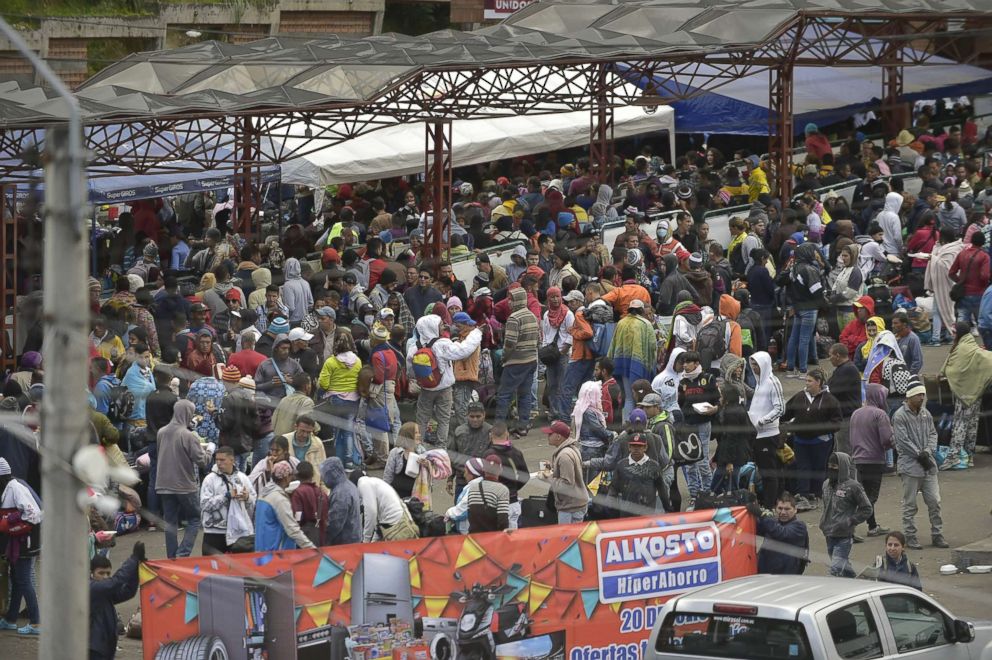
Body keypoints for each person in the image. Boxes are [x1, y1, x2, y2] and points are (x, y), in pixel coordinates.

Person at [409, 314, 483, 447]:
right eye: (440, 325)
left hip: (426, 389)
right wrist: (476, 333)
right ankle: (441, 448)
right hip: (444, 389)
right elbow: (463, 350)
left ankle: (418, 446)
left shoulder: (415, 347)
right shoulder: (442, 344)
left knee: (422, 419)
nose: (443, 327)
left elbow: (410, 366)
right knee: (443, 420)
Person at [892, 376, 948, 549]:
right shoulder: (900, 416)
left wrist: (927, 451)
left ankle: (937, 535)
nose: (922, 398)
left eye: (923, 395)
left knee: (935, 502)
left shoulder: (926, 413)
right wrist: (919, 454)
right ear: (909, 396)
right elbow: (902, 441)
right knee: (910, 505)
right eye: (918, 395)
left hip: (928, 467)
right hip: (910, 467)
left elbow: (933, 433)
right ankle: (910, 537)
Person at [156, 400, 211, 559]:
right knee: (194, 519)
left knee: (170, 523)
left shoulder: (161, 432)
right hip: (184, 484)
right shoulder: (188, 435)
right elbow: (201, 461)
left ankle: (172, 558)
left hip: (163, 484)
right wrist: (210, 451)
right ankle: (182, 554)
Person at [783, 369, 842, 510]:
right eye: (806, 381)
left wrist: (818, 429)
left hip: (821, 442)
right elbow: (785, 413)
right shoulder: (799, 396)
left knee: (818, 469)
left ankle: (815, 495)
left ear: (819, 382)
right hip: (800, 441)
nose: (807, 383)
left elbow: (837, 423)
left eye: (810, 381)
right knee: (803, 467)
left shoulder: (830, 400)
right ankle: (803, 495)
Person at [940, 321, 992, 470]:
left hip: (964, 394)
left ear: (960, 333)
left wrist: (945, 375)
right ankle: (968, 457)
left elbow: (951, 370)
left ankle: (954, 457)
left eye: (954, 332)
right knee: (972, 425)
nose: (952, 335)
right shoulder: (973, 346)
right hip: (976, 393)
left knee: (960, 425)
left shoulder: (961, 348)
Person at [0, 457, 42, 634]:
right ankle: (10, 619)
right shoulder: (8, 488)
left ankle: (35, 622)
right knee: (17, 579)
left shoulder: (16, 488)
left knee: (24, 581)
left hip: (26, 541)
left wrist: (10, 521)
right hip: (17, 541)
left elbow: (34, 514)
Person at [849, 384, 895, 538]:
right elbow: (887, 439)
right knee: (870, 497)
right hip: (874, 459)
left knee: (864, 493)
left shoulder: (856, 413)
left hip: (858, 459)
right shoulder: (880, 414)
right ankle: (849, 525)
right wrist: (892, 444)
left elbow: (851, 438)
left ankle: (873, 526)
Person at [492, 287, 539, 436]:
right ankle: (523, 426)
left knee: (504, 394)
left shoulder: (514, 318)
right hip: (531, 360)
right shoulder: (532, 316)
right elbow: (538, 339)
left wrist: (504, 357)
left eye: (511, 299)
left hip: (516, 362)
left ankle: (499, 427)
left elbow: (510, 343)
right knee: (524, 394)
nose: (509, 302)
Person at [819, 452, 873, 577]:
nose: (831, 469)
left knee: (835, 570)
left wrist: (850, 521)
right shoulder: (826, 484)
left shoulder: (853, 487)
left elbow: (867, 509)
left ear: (842, 467)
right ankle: (855, 582)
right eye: (829, 465)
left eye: (834, 466)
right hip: (828, 533)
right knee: (844, 566)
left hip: (844, 536)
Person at [88, 542, 144, 660]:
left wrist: (136, 569)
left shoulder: (104, 591)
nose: (105, 576)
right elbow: (117, 581)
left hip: (105, 646)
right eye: (101, 573)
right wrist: (133, 559)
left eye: (108, 573)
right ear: (91, 573)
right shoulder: (92, 587)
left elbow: (128, 592)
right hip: (93, 647)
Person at [678, 350, 719, 501]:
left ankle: (707, 494)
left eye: (688, 362)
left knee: (702, 462)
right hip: (688, 425)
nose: (685, 365)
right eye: (683, 362)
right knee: (689, 463)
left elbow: (718, 401)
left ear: (696, 364)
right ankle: (694, 495)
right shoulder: (682, 382)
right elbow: (680, 403)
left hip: (703, 424)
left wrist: (713, 410)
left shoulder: (708, 378)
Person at [199, 446, 256, 555]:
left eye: (222, 460)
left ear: (232, 460)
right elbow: (205, 505)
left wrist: (247, 497)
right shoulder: (209, 479)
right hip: (215, 531)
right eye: (217, 460)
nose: (219, 463)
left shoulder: (242, 478)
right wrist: (226, 496)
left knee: (239, 568)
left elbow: (253, 501)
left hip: (238, 532)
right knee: (211, 567)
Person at [608, 299, 658, 418]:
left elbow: (613, 344)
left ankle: (627, 425)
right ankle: (638, 423)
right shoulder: (645, 324)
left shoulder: (621, 323)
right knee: (638, 398)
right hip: (639, 366)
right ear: (641, 310)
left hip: (622, 365)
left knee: (628, 398)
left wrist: (610, 361)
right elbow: (652, 346)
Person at [748, 351, 785, 509]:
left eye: (757, 364)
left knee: (769, 473)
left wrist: (763, 421)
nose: (754, 368)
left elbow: (780, 408)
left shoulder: (772, 381)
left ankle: (770, 506)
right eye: (753, 364)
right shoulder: (759, 383)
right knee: (763, 471)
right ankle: (767, 501)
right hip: (757, 434)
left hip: (767, 434)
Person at [254, 461, 316, 551]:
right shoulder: (280, 500)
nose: (292, 478)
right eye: (291, 475)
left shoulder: (263, 494)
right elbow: (293, 530)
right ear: (286, 478)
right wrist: (313, 549)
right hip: (277, 556)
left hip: (261, 551)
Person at [606, 434, 671, 516]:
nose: (636, 449)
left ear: (645, 447)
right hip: (626, 515)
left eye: (639, 446)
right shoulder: (621, 465)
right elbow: (614, 488)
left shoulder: (654, 466)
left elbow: (662, 489)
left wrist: (668, 509)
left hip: (647, 514)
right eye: (633, 446)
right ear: (629, 447)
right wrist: (610, 506)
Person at [539, 420, 589, 524]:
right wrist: (552, 468)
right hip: (575, 504)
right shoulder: (571, 449)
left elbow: (567, 484)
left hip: (571, 507)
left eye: (550, 434)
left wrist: (547, 478)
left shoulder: (564, 456)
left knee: (567, 539)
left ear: (558, 437)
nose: (547, 436)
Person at [484, 420, 530, 529]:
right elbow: (525, 476)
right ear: (507, 434)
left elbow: (483, 478)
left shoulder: (488, 455)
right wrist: (513, 488)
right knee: (512, 538)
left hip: (494, 503)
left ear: (491, 435)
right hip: (512, 501)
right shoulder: (516, 453)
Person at [750, 493, 810, 575]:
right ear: (775, 509)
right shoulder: (772, 522)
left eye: (787, 509)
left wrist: (762, 515)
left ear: (795, 509)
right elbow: (754, 529)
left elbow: (781, 533)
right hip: (765, 575)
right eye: (780, 508)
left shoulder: (799, 527)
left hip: (786, 578)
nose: (783, 512)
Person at [353, 472, 419, 542]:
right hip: (399, 517)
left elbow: (371, 512)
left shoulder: (363, 484)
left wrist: (366, 540)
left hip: (394, 522)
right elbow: (377, 520)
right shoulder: (374, 481)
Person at [948, 230, 990, 325]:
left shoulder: (962, 253)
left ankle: (962, 339)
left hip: (963, 294)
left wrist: (961, 281)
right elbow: (985, 276)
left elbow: (951, 273)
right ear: (983, 242)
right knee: (982, 323)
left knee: (962, 323)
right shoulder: (984, 256)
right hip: (979, 294)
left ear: (971, 240)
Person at [827, 343, 862, 454]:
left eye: (830, 355)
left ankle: (847, 472)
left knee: (845, 454)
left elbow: (833, 390)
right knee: (839, 452)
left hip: (847, 418)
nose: (829, 359)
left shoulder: (848, 369)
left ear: (837, 355)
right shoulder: (842, 369)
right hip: (841, 417)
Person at [320, 457, 362, 546]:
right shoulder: (348, 485)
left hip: (345, 543)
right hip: (353, 539)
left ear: (333, 473)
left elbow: (335, 524)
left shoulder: (341, 493)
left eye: (325, 475)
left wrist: (324, 541)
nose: (323, 479)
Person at [464, 456, 511, 532]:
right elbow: (503, 521)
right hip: (492, 538)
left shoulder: (473, 488)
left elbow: (471, 515)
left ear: (483, 469)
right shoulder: (502, 490)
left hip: (474, 537)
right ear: (500, 470)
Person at [291, 461, 328, 546]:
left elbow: (297, 518)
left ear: (296, 476)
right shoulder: (322, 493)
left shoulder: (298, 493)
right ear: (312, 475)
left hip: (304, 541)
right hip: (321, 538)